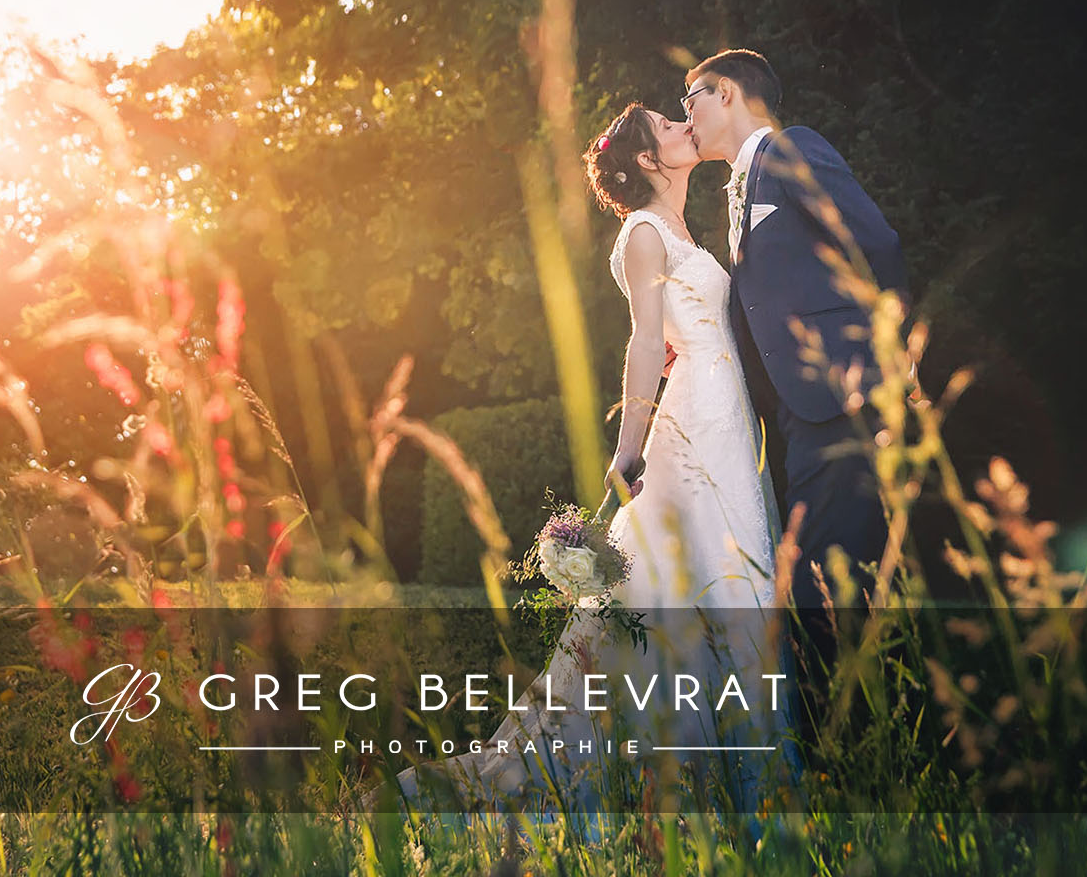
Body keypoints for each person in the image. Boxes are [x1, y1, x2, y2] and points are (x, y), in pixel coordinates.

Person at [381, 103, 789, 821]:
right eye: (666, 126)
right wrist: (628, 450)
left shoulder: (688, 229)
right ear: (644, 161)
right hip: (690, 422)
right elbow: (642, 342)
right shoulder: (641, 232)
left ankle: (728, 781)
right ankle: (672, 785)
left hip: (726, 420)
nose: (680, 127)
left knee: (728, 579)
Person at [680, 48, 910, 737]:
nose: (683, 113)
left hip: (844, 409)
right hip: (794, 428)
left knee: (834, 596)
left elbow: (878, 244)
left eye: (689, 96)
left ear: (725, 93)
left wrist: (889, 371)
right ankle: (839, 760)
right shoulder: (737, 190)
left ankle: (851, 760)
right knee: (819, 594)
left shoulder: (790, 148)